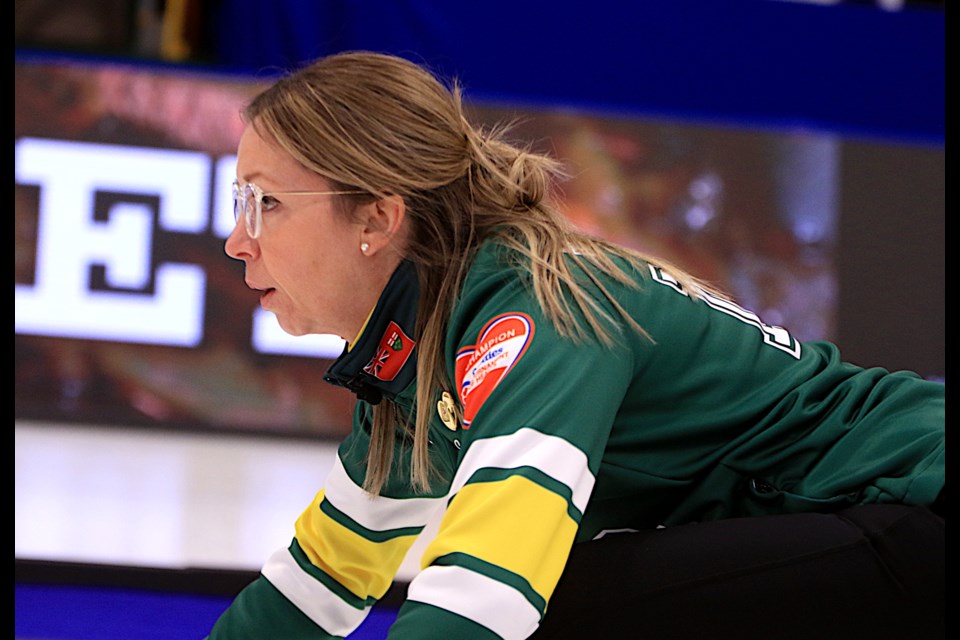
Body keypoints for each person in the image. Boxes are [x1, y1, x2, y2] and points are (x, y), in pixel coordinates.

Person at [208, 51, 945, 639]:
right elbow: (316, 587)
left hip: (916, 502)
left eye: (265, 201)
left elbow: (483, 597)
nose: (240, 240)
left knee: (561, 605)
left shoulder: (532, 317)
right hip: (882, 522)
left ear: (376, 217)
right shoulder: (419, 349)